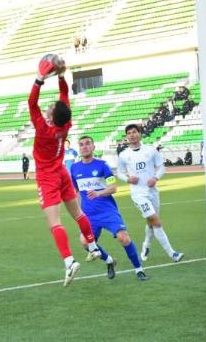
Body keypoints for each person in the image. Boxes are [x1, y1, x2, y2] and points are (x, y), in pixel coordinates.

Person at [29, 57, 101, 287]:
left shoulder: (43, 129)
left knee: (54, 223)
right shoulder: (65, 124)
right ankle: (92, 246)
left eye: (50, 108)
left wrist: (40, 79)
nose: (49, 107)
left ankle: (69, 261)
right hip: (61, 173)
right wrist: (60, 75)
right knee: (78, 213)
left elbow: (32, 103)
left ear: (50, 116)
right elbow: (64, 95)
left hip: (48, 177)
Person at [71, 136, 148, 281]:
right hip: (88, 215)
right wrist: (77, 211)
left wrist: (98, 193)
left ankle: (139, 270)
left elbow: (113, 188)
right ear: (79, 148)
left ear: (93, 147)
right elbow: (75, 191)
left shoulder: (102, 165)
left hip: (107, 211)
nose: (84, 147)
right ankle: (109, 261)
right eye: (81, 145)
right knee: (84, 242)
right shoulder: (74, 168)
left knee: (123, 238)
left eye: (88, 144)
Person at [117, 124, 184, 263]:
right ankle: (173, 254)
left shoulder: (150, 150)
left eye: (134, 132)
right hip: (138, 194)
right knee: (156, 221)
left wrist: (155, 178)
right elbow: (119, 172)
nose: (131, 135)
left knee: (151, 222)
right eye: (129, 133)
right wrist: (128, 179)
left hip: (152, 192)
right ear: (127, 136)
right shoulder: (124, 155)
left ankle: (146, 245)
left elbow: (161, 167)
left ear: (140, 134)